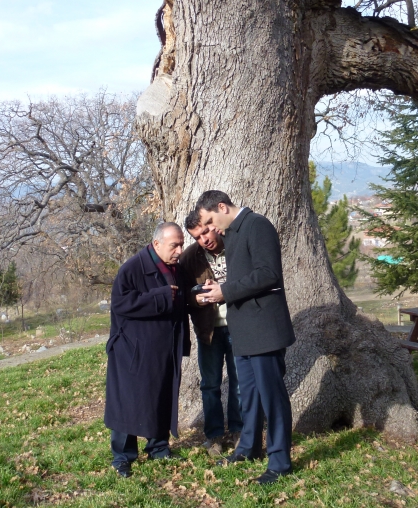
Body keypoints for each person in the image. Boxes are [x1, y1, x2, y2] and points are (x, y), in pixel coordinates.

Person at [195, 190, 296, 485]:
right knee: (249, 398)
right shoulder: (234, 233)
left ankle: (280, 462)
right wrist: (220, 286)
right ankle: (249, 448)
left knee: (272, 398)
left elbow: (268, 274)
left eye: (211, 221)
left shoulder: (257, 225)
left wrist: (225, 292)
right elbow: (244, 278)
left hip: (264, 329)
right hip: (244, 330)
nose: (210, 229)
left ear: (223, 207)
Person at [104, 222, 190, 478]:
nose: (179, 250)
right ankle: (123, 457)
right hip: (132, 350)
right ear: (156, 244)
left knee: (161, 396)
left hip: (163, 348)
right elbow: (121, 303)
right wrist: (163, 296)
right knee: (127, 403)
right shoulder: (132, 268)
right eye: (174, 245)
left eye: (181, 245)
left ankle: (158, 447)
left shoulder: (174, 269)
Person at [179, 210, 242, 456]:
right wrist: (197, 299)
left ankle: (239, 431)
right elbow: (184, 297)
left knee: (239, 383)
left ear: (213, 225)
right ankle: (214, 436)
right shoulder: (189, 259)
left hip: (238, 325)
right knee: (210, 385)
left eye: (205, 231)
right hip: (208, 331)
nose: (204, 239)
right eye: (197, 237)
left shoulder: (235, 245)